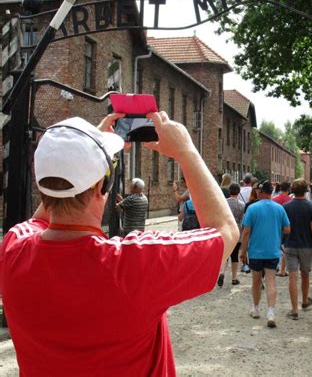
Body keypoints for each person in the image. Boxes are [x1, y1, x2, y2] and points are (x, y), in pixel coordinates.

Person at [0, 112, 239, 376]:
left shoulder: (13, 248)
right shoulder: (134, 264)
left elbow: (47, 209)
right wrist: (186, 151)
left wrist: (83, 152)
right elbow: (225, 231)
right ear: (103, 185)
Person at [240, 180, 291, 328]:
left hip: (256, 251)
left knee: (256, 281)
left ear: (261, 192)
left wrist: (243, 252)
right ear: (272, 192)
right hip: (273, 250)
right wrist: (276, 233)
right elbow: (288, 229)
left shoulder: (252, 208)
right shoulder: (279, 208)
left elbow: (246, 232)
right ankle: (271, 312)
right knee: (271, 281)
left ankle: (255, 309)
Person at [283, 179, 312, 320]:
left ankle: (294, 309)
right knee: (305, 274)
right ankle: (304, 300)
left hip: (290, 244)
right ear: (306, 191)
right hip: (305, 245)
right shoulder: (311, 207)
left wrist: (281, 242)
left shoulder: (286, 207)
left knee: (292, 277)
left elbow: (283, 227)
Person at [218, 182, 246, 287]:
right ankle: (234, 278)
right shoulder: (242, 205)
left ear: (229, 192)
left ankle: (222, 273)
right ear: (238, 192)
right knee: (235, 256)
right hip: (237, 231)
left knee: (225, 254)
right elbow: (243, 219)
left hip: (226, 230)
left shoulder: (224, 203)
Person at [272, 181, 292, 276]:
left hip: (276, 225)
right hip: (287, 226)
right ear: (289, 189)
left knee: (275, 246)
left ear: (280, 189)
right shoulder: (290, 200)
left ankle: (275, 267)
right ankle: (283, 270)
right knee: (285, 248)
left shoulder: (274, 199)